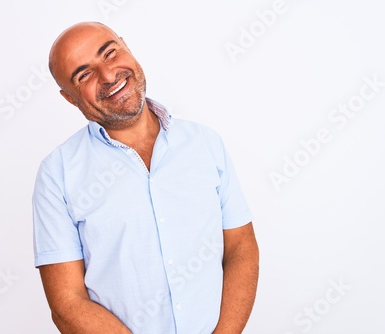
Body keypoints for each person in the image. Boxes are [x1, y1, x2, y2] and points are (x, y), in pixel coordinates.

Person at [33, 21, 259, 333]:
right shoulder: (56, 174)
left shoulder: (206, 143)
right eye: (84, 75)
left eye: (110, 53)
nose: (109, 76)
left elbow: (241, 248)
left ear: (127, 47)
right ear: (70, 98)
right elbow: (67, 304)